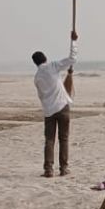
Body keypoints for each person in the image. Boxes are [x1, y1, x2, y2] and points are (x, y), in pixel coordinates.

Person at [32, 29, 78, 177]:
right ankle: (63, 168)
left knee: (49, 140)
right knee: (63, 139)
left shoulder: (37, 77)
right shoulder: (52, 66)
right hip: (62, 107)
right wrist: (74, 41)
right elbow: (72, 59)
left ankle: (48, 169)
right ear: (45, 58)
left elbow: (42, 96)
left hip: (49, 111)